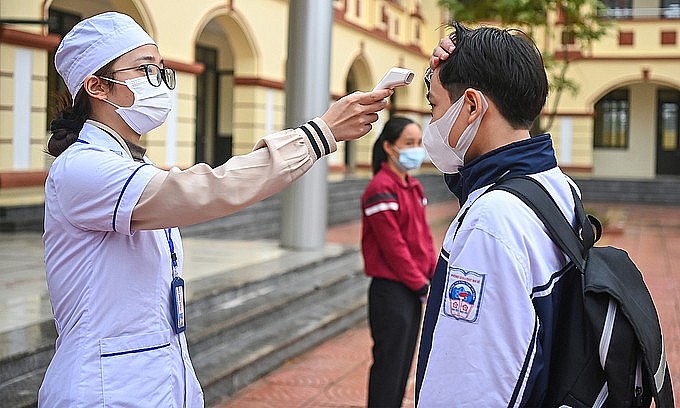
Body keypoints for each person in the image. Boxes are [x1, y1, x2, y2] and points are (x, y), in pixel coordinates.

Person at [39, 11, 392, 407]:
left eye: (161, 69)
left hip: (153, 380)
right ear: (97, 87)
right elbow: (208, 190)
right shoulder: (83, 169)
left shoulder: (128, 166)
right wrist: (317, 135)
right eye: (144, 69)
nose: (160, 82)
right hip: (103, 389)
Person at [415, 22, 581, 406]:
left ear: (471, 106)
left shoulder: (491, 221)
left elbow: (471, 387)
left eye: (435, 106)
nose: (433, 123)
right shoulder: (555, 185)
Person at [360, 116, 436, 407]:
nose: (415, 149)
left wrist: (433, 274)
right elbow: (395, 248)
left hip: (412, 288)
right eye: (408, 143)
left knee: (403, 365)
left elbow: (423, 239)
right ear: (390, 147)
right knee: (389, 368)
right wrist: (420, 284)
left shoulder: (413, 186)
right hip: (391, 291)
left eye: (418, 143)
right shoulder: (381, 188)